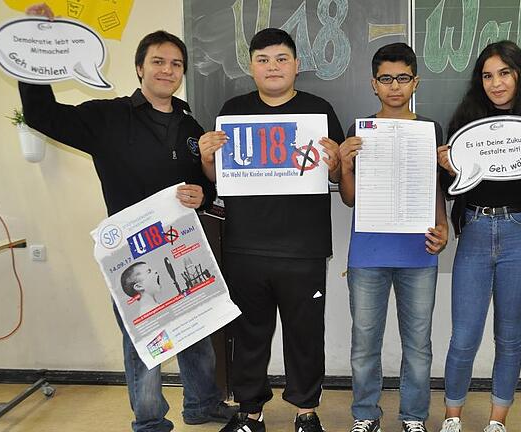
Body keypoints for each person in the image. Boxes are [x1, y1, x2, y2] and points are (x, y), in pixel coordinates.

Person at [19, 4, 236, 431]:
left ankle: (202, 405)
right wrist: (33, 47)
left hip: (183, 244)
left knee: (196, 328)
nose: (167, 70)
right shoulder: (106, 117)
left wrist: (203, 191)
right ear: (140, 68)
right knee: (145, 340)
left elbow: (204, 185)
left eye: (176, 64)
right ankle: (150, 419)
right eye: (158, 61)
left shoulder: (192, 125)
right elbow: (41, 115)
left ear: (182, 73)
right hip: (132, 253)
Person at [198, 28, 343, 432]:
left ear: (296, 65)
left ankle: (305, 412)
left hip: (304, 248)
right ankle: (250, 412)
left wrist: (335, 164)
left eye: (281, 59)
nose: (273, 67)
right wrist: (209, 159)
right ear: (251, 67)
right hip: (246, 247)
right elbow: (217, 179)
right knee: (249, 335)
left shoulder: (319, 111)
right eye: (263, 60)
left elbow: (337, 173)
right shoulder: (232, 110)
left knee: (305, 335)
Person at [436, 41, 521, 432]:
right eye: (488, 75)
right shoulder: (465, 122)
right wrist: (447, 169)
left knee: (509, 337)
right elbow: (452, 189)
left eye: (504, 73)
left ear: (520, 74)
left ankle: (497, 420)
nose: (496, 83)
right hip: (475, 230)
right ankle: (452, 418)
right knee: (464, 336)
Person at [338, 42, 449, 432]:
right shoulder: (360, 130)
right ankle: (365, 415)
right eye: (386, 78)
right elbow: (350, 199)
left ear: (415, 81)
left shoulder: (431, 129)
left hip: (418, 252)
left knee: (418, 345)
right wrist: (345, 165)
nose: (395, 86)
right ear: (374, 84)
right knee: (364, 345)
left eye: (403, 78)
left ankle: (414, 416)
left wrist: (443, 226)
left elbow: (434, 187)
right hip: (368, 253)